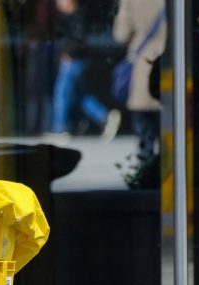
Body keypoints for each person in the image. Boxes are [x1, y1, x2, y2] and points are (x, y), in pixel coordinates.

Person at [50, 0, 121, 139]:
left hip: (72, 61)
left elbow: (77, 41)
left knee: (61, 93)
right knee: (79, 95)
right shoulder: (70, 17)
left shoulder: (74, 18)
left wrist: (68, 53)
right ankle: (104, 117)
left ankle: (60, 127)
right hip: (74, 60)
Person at [112, 0, 166, 163]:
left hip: (143, 65)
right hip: (171, 62)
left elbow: (121, 34)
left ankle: (145, 172)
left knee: (145, 132)